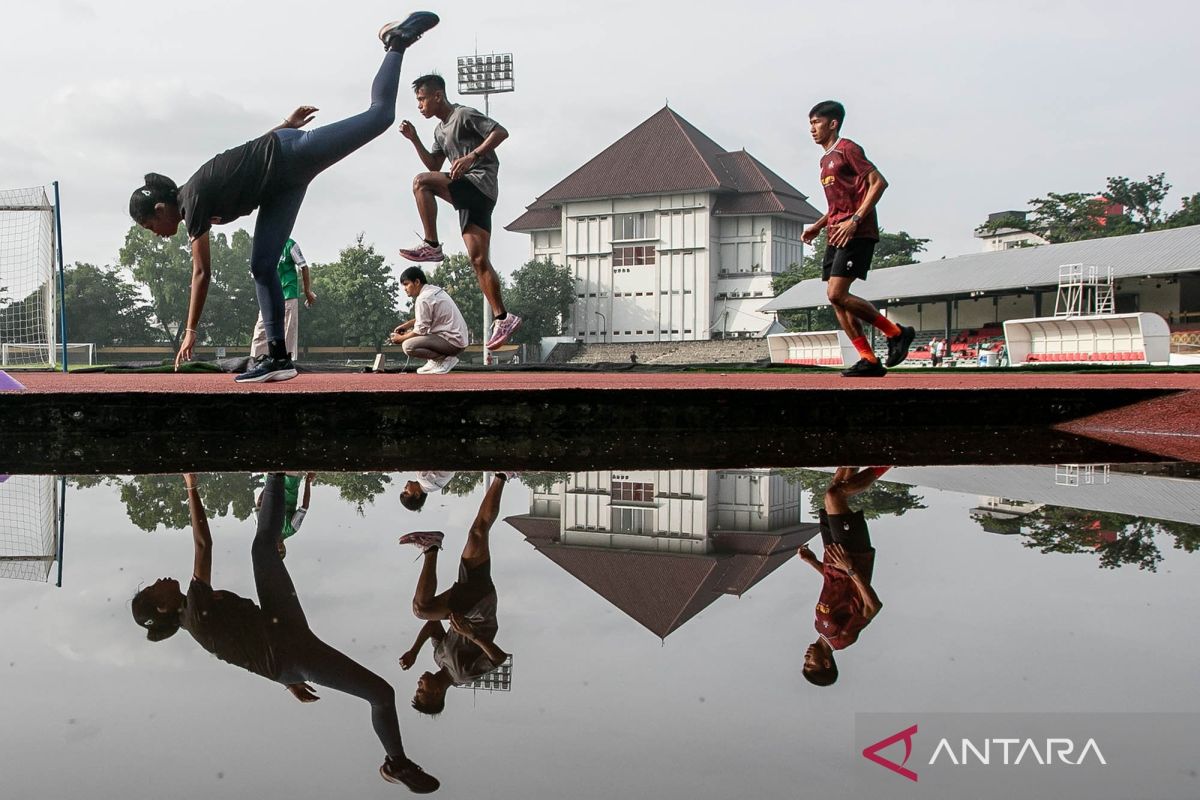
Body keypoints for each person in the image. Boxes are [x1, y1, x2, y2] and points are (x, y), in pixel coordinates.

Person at [128, 12, 440, 384]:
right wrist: (284, 124)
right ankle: (277, 357)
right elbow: (245, 153)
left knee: (379, 116)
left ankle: (395, 44)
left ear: (161, 209)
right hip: (282, 185)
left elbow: (201, 272)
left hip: (291, 158)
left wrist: (191, 330)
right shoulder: (197, 195)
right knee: (262, 265)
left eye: (151, 226)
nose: (157, 234)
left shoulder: (191, 200)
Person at [130, 473, 438, 792]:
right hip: (293, 650)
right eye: (154, 590)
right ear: (162, 608)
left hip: (283, 634)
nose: (159, 581)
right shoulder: (194, 612)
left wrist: (287, 681)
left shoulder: (194, 618)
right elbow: (204, 544)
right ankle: (396, 763)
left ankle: (277, 472)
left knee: (263, 548)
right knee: (381, 694)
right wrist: (190, 484)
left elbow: (242, 653)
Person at [396, 75, 522, 350]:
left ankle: (431, 245)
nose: (419, 105)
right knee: (478, 260)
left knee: (421, 182)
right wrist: (414, 138)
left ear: (437, 95)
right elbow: (433, 163)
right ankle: (504, 317)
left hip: (478, 181)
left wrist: (471, 157)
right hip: (473, 196)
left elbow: (500, 132)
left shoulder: (462, 115)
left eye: (422, 99)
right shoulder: (439, 131)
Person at [801, 101, 914, 378]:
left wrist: (855, 220)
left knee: (836, 293)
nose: (812, 129)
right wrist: (818, 226)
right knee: (837, 301)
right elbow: (838, 204)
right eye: (810, 124)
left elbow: (878, 182)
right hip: (835, 233)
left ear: (833, 123)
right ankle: (868, 359)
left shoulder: (848, 149)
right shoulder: (824, 159)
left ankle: (897, 332)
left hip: (856, 232)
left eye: (816, 122)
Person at [397, 473, 513, 715]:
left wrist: (414, 651)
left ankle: (503, 475)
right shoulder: (463, 674)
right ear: (436, 693)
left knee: (477, 533)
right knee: (421, 609)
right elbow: (498, 659)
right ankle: (431, 547)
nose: (418, 684)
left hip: (469, 602)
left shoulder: (440, 659)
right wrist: (472, 636)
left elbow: (432, 627)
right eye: (421, 690)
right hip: (477, 610)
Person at [796, 467, 887, 687]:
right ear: (826, 663)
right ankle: (890, 461)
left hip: (832, 556)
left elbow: (833, 586)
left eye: (804, 663)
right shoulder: (843, 639)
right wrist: (851, 569)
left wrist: (813, 562)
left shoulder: (820, 628)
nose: (806, 658)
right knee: (835, 496)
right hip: (852, 555)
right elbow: (872, 607)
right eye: (811, 664)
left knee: (833, 489)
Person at [389, 267, 468, 374]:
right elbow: (426, 318)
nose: (405, 288)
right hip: (457, 339)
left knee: (408, 346)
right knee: (412, 341)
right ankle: (436, 361)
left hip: (452, 342)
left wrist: (401, 338)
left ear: (417, 282)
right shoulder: (433, 290)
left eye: (407, 284)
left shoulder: (423, 298)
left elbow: (420, 331)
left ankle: (442, 360)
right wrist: (407, 325)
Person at [249, 239, 316, 364]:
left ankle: (285, 362)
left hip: (288, 293)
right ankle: (255, 362)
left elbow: (304, 267)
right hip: (269, 294)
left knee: (287, 331)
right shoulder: (263, 244)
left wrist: (307, 291)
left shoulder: (290, 245)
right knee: (260, 330)